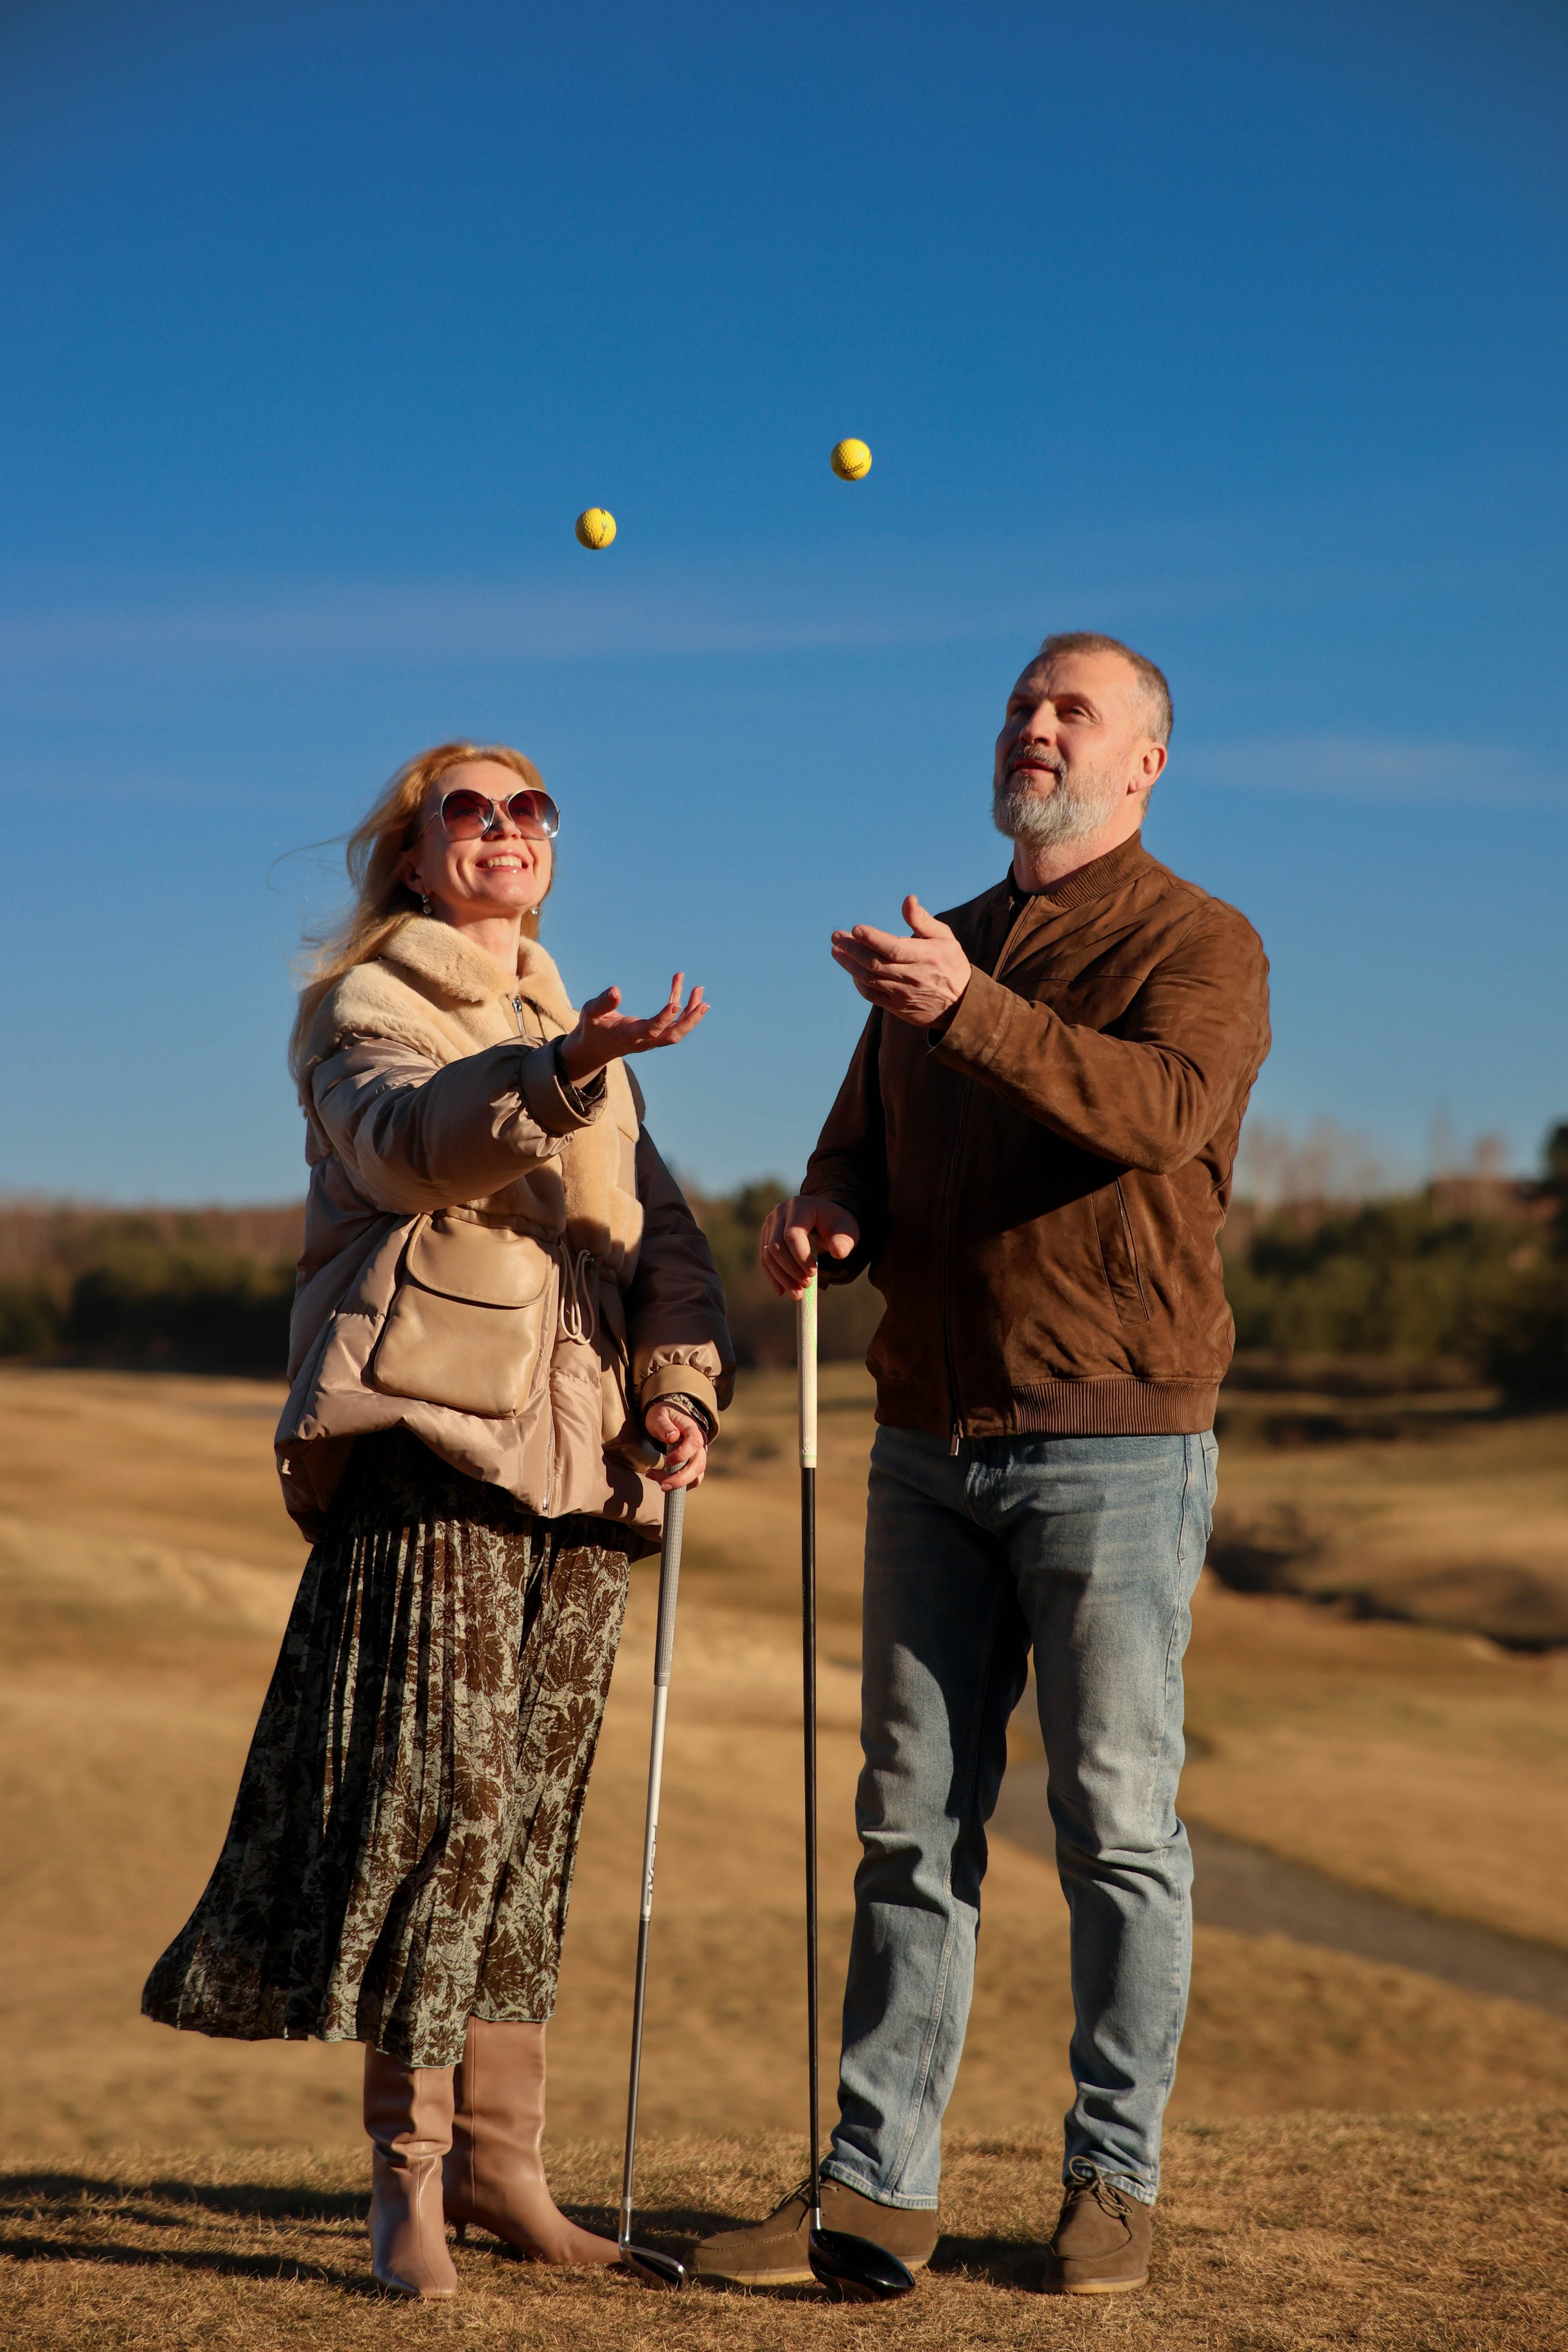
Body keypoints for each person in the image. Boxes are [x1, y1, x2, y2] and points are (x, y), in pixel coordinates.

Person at [693, 632, 1270, 2297]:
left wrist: (972, 1009)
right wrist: (826, 1214)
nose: (1035, 722)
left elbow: (1159, 1113)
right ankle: (876, 2192)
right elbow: (855, 1145)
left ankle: (1113, 2183)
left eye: (1073, 707)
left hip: (1118, 1444)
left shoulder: (1202, 941)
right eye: (1023, 702)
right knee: (910, 1827)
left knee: (1115, 1825)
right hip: (928, 1443)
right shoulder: (939, 952)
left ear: (1146, 759)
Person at [143, 740, 733, 2301]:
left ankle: (503, 2170)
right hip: (432, 1448)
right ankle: (404, 2184)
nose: (503, 830)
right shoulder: (370, 1010)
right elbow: (409, 1147)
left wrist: (676, 1391)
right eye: (465, 811)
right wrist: (561, 1071)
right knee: (440, 1813)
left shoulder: (573, 1027)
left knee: (531, 1825)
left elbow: (658, 1235)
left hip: (588, 1470)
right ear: (411, 857)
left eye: (529, 808)